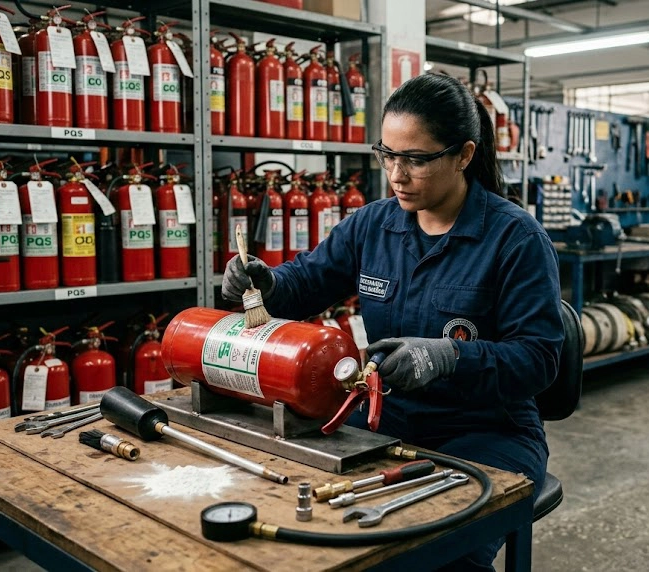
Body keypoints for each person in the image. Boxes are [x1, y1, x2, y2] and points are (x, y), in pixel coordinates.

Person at [223, 73, 564, 570]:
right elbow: (308, 281)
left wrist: (449, 357)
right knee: (320, 527)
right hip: (388, 417)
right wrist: (266, 284)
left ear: (464, 155)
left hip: (489, 430)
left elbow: (539, 359)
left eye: (416, 159)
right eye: (388, 154)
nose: (396, 174)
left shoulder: (516, 238)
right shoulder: (372, 224)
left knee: (443, 552)